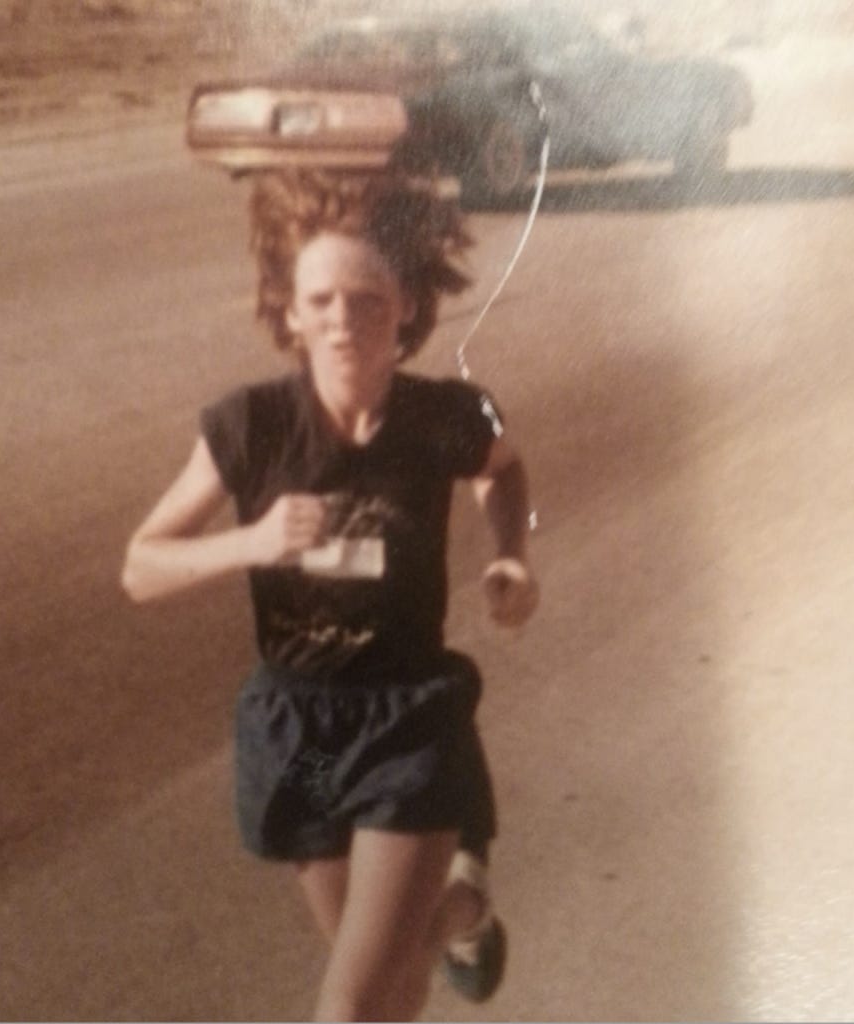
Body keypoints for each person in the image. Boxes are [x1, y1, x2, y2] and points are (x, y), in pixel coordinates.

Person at [121, 169, 538, 1021]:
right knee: (383, 976)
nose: (344, 321)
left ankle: (446, 907)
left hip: (407, 727)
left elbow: (504, 468)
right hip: (304, 739)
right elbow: (141, 566)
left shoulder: (450, 415)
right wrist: (252, 542)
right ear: (290, 313)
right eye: (322, 301)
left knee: (348, 1004)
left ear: (407, 308)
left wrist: (513, 557)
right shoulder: (251, 426)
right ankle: (463, 910)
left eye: (367, 300)